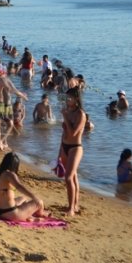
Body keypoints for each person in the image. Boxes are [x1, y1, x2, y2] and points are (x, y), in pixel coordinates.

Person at [0, 152, 48, 221]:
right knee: (39, 202)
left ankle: (30, 216)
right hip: (10, 213)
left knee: (23, 198)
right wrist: (33, 196)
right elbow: (19, 186)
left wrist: (1, 191)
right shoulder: (10, 174)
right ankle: (40, 214)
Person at [57, 87, 86, 216]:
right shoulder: (68, 111)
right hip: (65, 146)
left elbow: (73, 132)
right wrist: (59, 152)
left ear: (77, 99)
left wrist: (65, 117)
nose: (67, 100)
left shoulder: (81, 114)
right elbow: (64, 134)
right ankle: (74, 205)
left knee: (68, 178)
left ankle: (71, 208)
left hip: (75, 147)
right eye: (66, 97)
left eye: (70, 98)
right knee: (73, 177)